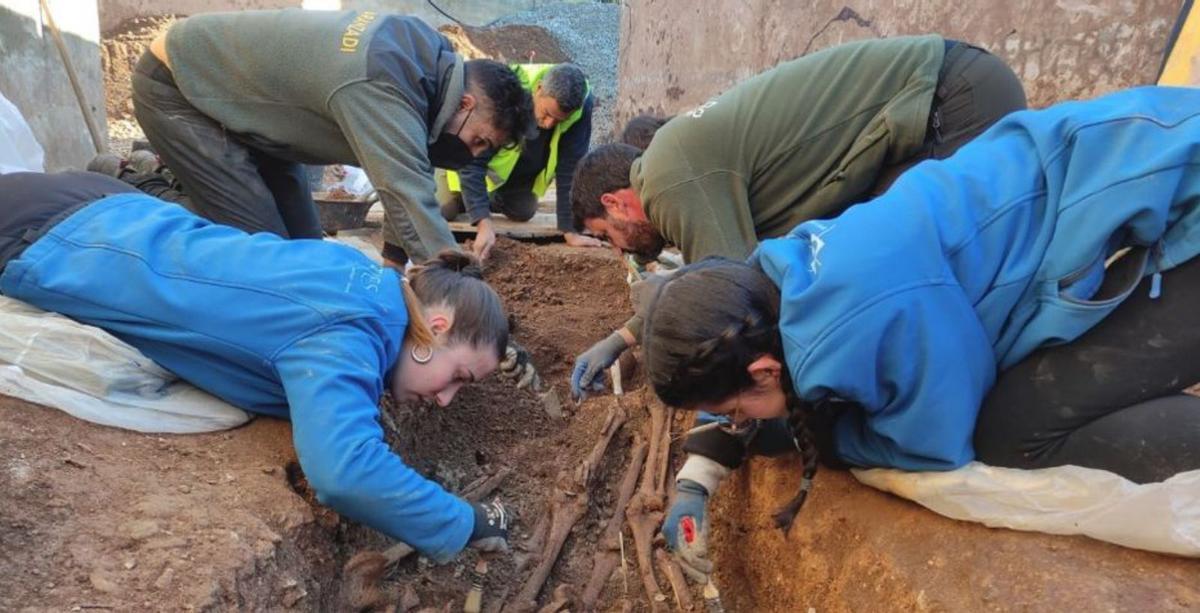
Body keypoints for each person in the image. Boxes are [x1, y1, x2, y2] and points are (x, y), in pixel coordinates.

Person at [637, 86, 1200, 579]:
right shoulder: (778, 280)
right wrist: (697, 478)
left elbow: (936, 444)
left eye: (733, 412)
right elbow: (727, 352)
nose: (736, 423)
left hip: (1179, 211)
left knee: (1012, 433)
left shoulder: (862, 315)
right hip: (1132, 176)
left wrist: (837, 443)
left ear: (763, 371)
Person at [0, 171, 514, 562]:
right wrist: (465, 522)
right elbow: (344, 473)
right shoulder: (349, 335)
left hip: (109, 207)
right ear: (438, 327)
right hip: (46, 235)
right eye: (458, 379)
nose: (445, 399)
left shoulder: (366, 278)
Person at [568, 35, 1027, 398]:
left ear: (615, 203)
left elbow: (729, 303)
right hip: (941, 97)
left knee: (911, 266)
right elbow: (738, 274)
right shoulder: (679, 170)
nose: (618, 249)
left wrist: (716, 433)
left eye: (607, 236)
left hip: (949, 99)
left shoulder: (669, 182)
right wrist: (624, 339)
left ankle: (955, 403)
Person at [129, 9, 533, 265]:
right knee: (265, 256)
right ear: (464, 104)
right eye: (479, 140)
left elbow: (411, 168)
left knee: (307, 256)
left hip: (259, 116)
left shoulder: (432, 64)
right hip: (182, 86)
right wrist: (467, 298)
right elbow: (406, 193)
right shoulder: (382, 79)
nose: (472, 153)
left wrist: (392, 269)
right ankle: (138, 189)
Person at [438, 63, 604, 255]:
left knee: (523, 210)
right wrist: (483, 221)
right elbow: (472, 161)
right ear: (539, 88)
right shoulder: (508, 92)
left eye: (560, 120)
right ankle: (463, 198)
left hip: (514, 174)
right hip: (461, 159)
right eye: (547, 114)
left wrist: (569, 230)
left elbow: (570, 167)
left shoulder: (581, 107)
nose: (549, 125)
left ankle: (479, 198)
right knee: (445, 210)